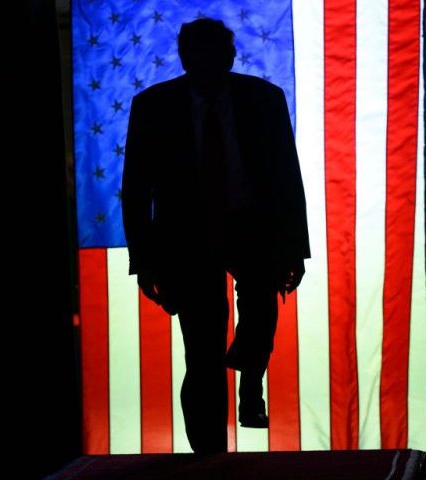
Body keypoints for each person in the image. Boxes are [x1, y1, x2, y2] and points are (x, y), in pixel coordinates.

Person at [121, 18, 310, 453]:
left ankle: (248, 381)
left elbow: (286, 177)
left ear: (228, 57)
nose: (206, 65)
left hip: (252, 229)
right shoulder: (153, 106)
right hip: (187, 240)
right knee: (202, 354)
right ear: (185, 59)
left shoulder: (264, 100)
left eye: (214, 56)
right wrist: (144, 260)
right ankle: (209, 455)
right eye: (197, 57)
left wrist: (293, 249)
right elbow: (136, 187)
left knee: (259, 319)